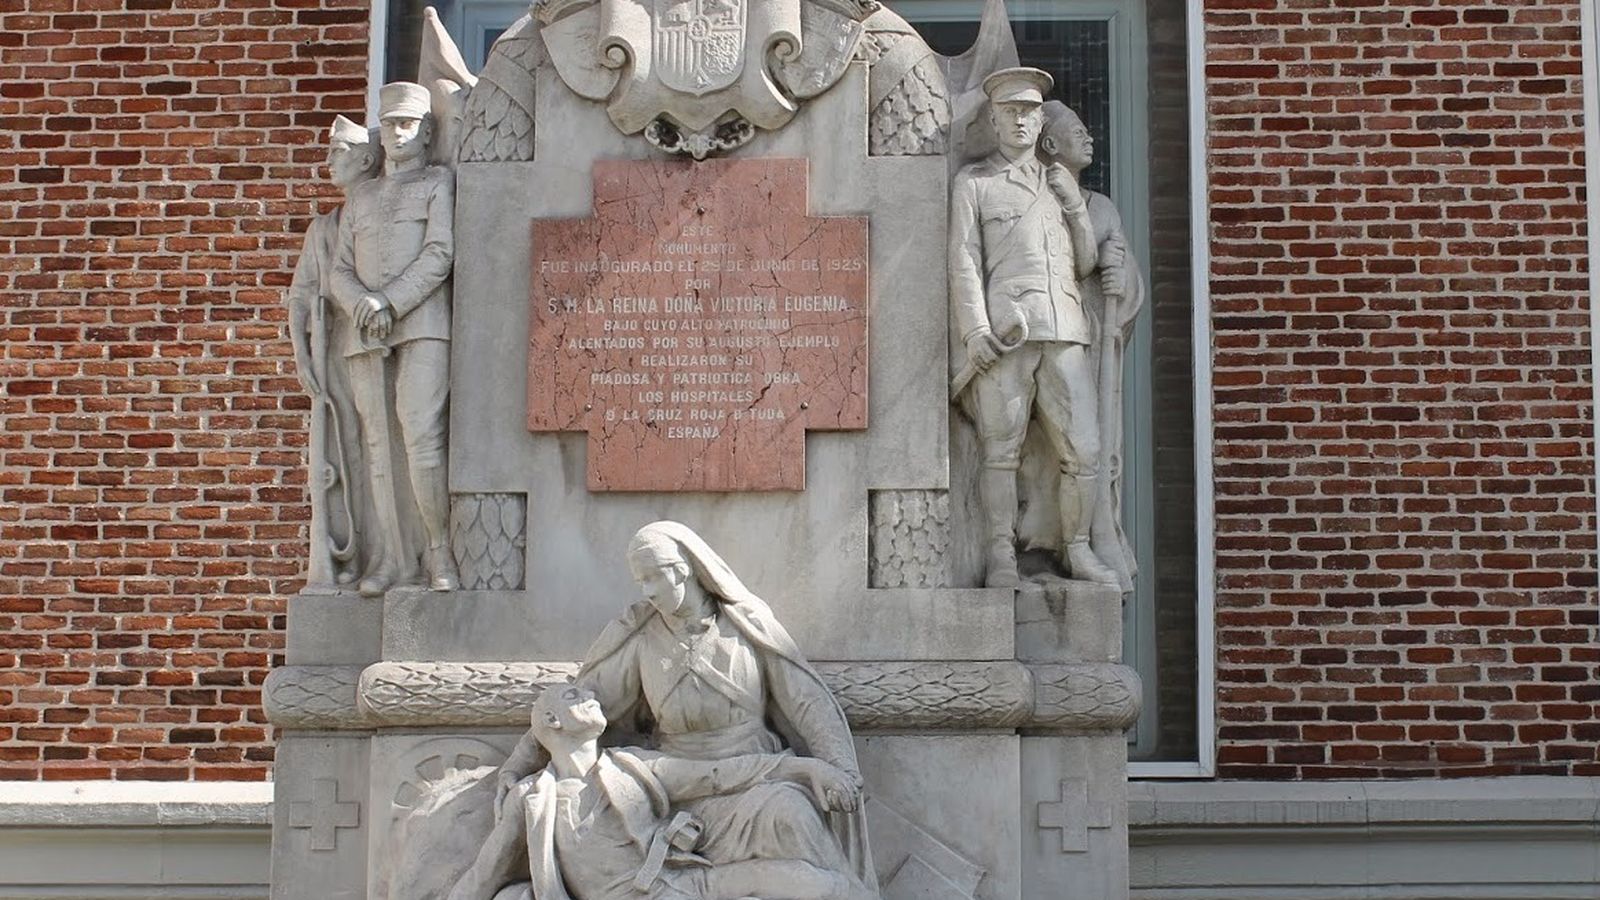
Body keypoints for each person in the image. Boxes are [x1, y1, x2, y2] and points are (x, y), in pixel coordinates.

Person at [451, 521, 876, 899]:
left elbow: (806, 700)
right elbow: (579, 701)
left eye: (653, 578)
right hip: (675, 787)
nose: (648, 591)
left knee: (792, 814)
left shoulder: (747, 624)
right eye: (641, 582)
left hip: (755, 779)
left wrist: (837, 769)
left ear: (684, 569)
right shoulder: (640, 636)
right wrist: (519, 763)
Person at [458, 683, 871, 900]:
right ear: (552, 720)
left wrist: (805, 768)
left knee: (812, 882)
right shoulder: (534, 798)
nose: (589, 695)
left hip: (682, 887)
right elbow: (483, 875)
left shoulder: (631, 764)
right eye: (574, 695)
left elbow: (719, 774)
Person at [948, 66, 1120, 588]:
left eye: (1029, 112)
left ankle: (1079, 550)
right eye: (1010, 113)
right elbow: (963, 261)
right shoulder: (975, 183)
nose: (1020, 121)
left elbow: (1084, 263)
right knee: (1001, 452)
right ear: (995, 121)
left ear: (1040, 119)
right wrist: (976, 331)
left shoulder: (1058, 181)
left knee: (1084, 451)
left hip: (1065, 328)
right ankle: (1001, 555)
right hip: (1008, 334)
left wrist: (1072, 204)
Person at [331, 81, 459, 595]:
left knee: (420, 434)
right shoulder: (362, 196)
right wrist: (361, 301)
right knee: (378, 446)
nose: (398, 133)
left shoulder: (437, 183)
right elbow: (340, 266)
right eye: (391, 125)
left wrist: (390, 300)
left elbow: (440, 252)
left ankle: (439, 550)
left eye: (408, 124)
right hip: (364, 330)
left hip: (422, 326)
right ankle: (391, 558)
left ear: (427, 131)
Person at [285, 116, 383, 588]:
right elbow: (301, 295)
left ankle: (374, 554)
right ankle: (342, 556)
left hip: (374, 346)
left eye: (339, 152)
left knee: (372, 455)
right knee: (339, 453)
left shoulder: (380, 217)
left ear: (366, 158)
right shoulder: (323, 229)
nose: (329, 163)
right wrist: (302, 356)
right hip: (333, 354)